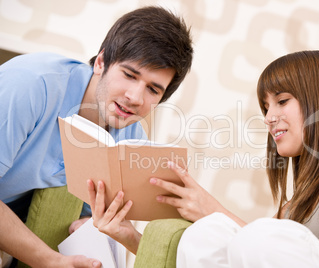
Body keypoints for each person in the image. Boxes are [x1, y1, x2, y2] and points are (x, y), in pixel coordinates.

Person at [88, 50, 319, 267]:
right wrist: (128, 236)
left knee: (238, 232)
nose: (268, 117)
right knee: (205, 236)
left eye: (281, 101)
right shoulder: (296, 204)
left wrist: (214, 211)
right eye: (266, 107)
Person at [0, 5, 193, 268]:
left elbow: (89, 220)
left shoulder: (130, 138)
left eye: (153, 89)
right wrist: (49, 259)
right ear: (101, 62)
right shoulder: (30, 85)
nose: (135, 98)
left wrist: (94, 229)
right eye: (129, 74)